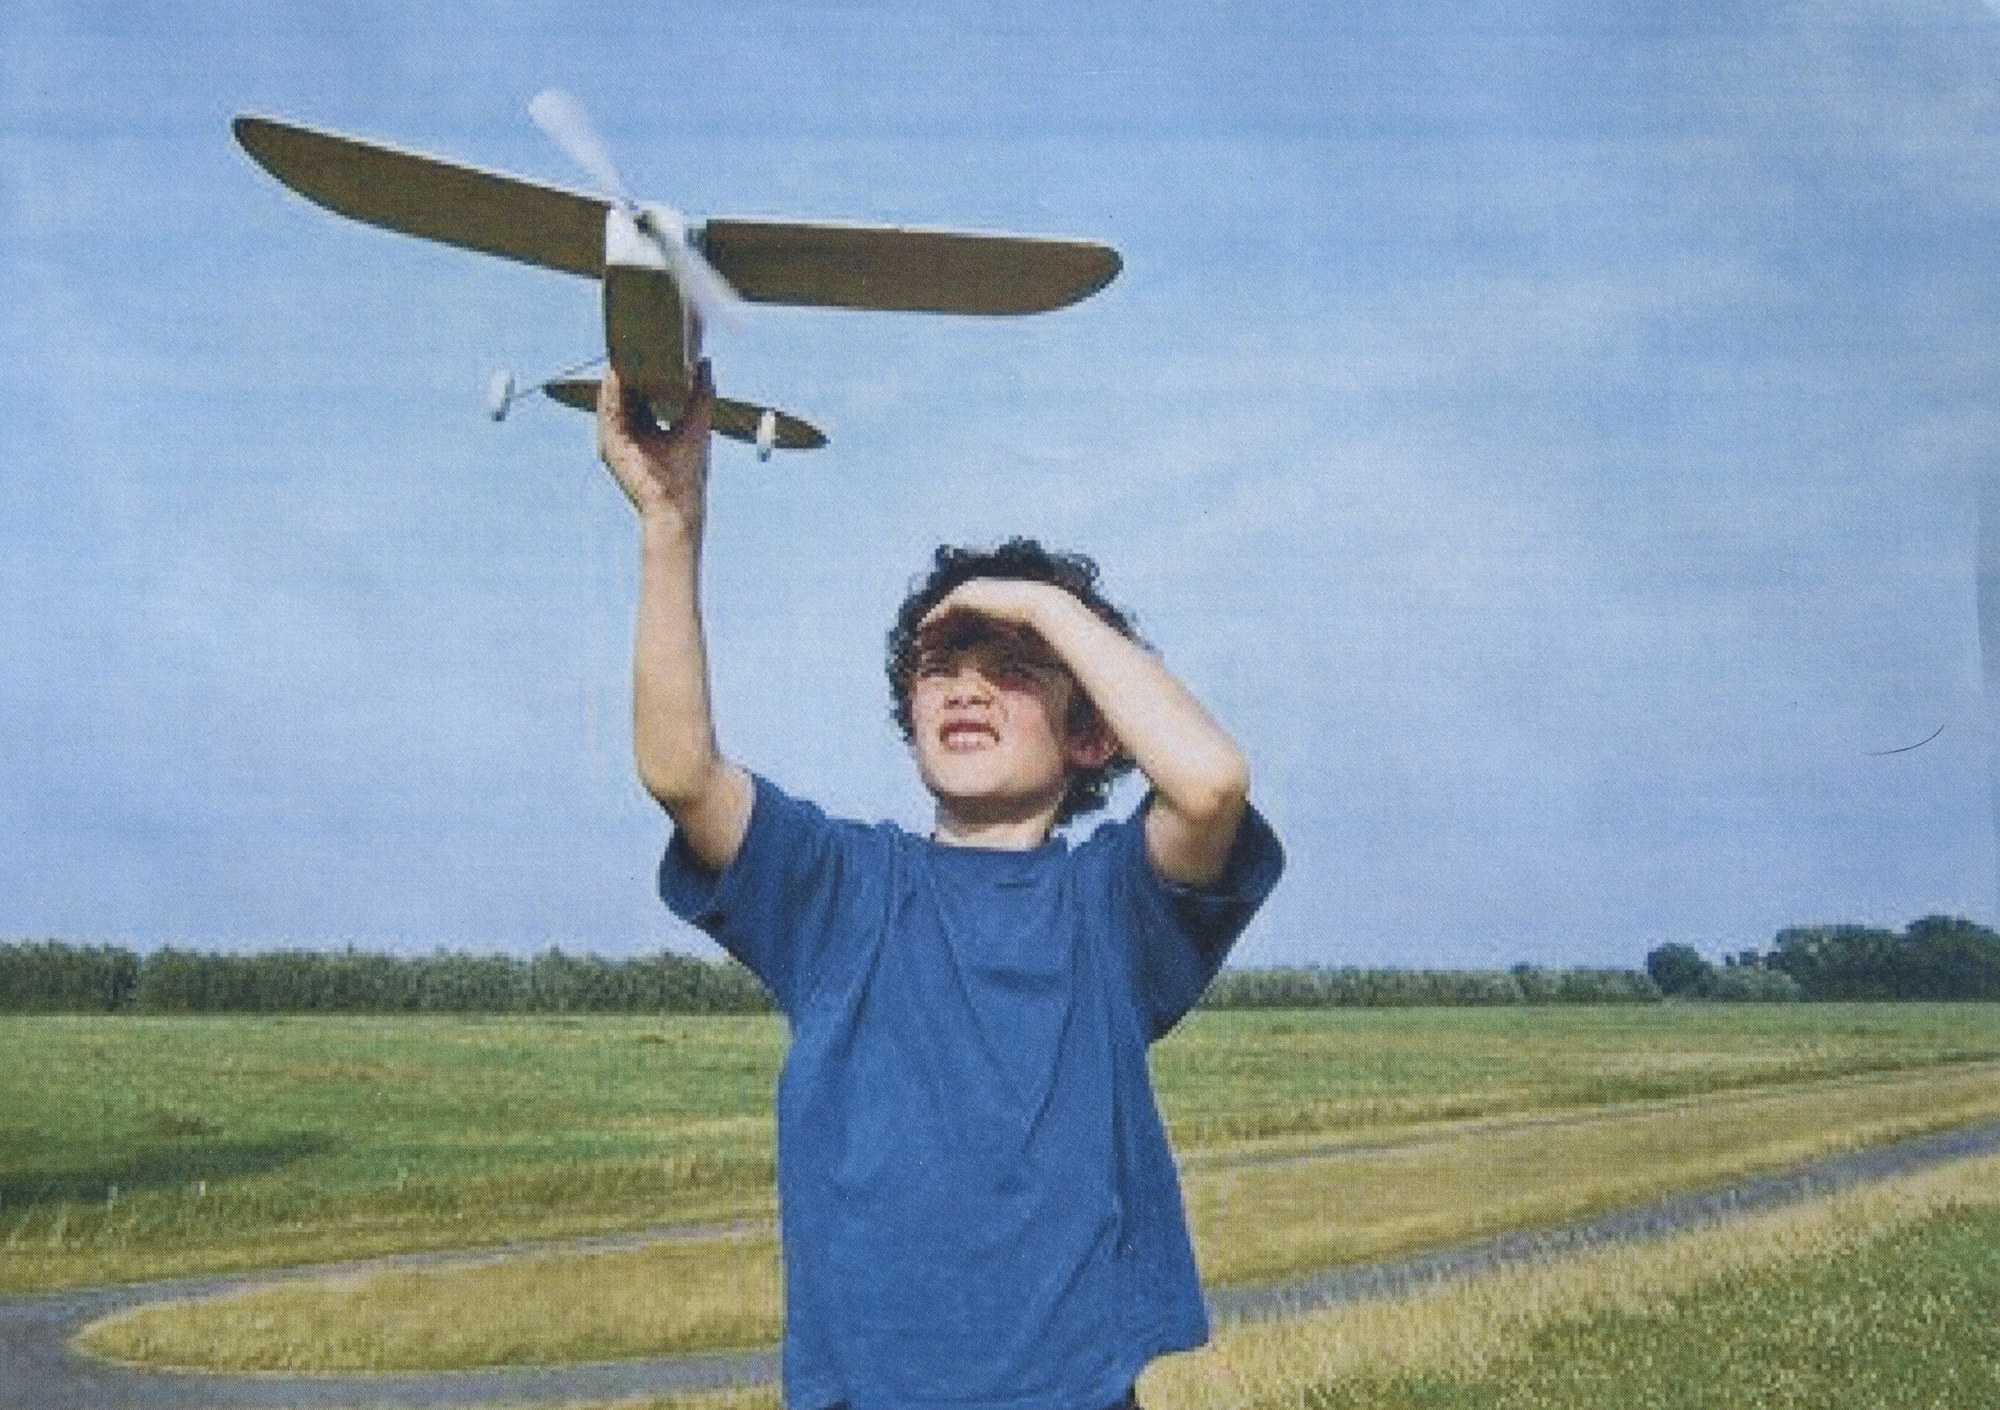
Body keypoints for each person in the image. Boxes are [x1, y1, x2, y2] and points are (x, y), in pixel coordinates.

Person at [597, 362, 1284, 1410]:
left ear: (1092, 732)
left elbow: (1209, 781)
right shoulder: (837, 890)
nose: (965, 684)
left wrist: (1043, 605)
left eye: (1015, 667)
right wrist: (669, 524)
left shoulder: (1109, 910)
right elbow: (679, 772)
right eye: (939, 663)